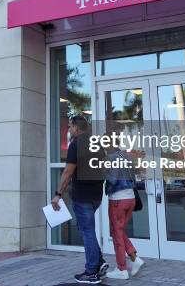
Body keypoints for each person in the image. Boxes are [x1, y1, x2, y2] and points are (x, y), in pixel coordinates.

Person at [51, 116, 107, 284]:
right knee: (88, 230)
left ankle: (91, 272)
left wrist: (58, 194)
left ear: (76, 127)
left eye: (70, 126)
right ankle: (99, 262)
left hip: (82, 196)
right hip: (96, 196)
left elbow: (68, 172)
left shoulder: (75, 144)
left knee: (86, 231)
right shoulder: (97, 143)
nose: (69, 129)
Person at [104, 148, 144, 279]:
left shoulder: (113, 157)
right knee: (119, 231)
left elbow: (113, 178)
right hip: (130, 197)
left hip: (118, 199)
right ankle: (134, 257)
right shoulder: (127, 156)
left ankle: (121, 269)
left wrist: (102, 173)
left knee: (117, 233)